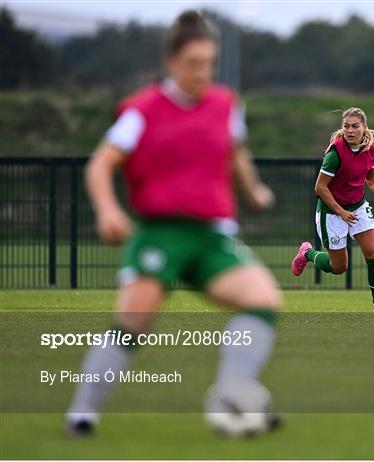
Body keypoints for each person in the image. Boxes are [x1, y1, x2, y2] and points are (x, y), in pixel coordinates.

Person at [65, 10, 282, 435]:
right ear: (172, 62)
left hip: (211, 235)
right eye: (193, 64)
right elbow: (100, 165)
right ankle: (83, 412)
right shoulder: (142, 111)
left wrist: (253, 190)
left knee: (264, 301)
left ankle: (233, 392)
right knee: (134, 320)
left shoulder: (225, 105)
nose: (203, 72)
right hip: (160, 231)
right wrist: (109, 210)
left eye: (209, 64)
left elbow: (235, 151)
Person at [291, 107, 374, 316]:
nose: (349, 130)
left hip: (357, 206)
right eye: (346, 126)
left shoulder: (370, 147)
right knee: (339, 268)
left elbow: (370, 176)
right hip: (331, 212)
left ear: (364, 127)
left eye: (355, 126)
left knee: (373, 252)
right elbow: (320, 188)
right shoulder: (335, 153)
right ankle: (308, 253)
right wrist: (340, 212)